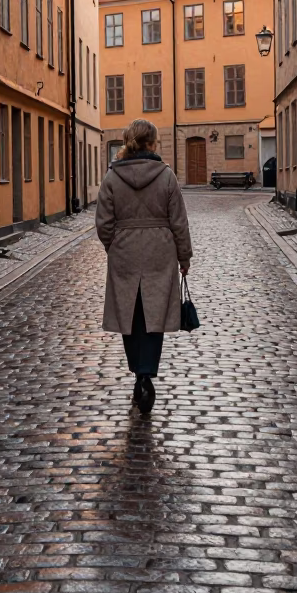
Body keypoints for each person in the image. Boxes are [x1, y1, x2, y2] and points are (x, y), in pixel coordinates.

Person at [95, 119, 193, 414]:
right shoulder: (166, 177)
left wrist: (115, 245)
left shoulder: (112, 178)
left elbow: (103, 224)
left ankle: (138, 372)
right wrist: (183, 257)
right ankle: (146, 375)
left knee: (130, 315)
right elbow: (179, 221)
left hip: (124, 254)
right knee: (153, 314)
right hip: (159, 254)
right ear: (151, 144)